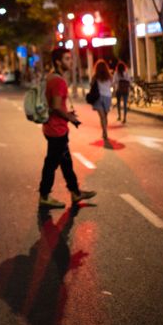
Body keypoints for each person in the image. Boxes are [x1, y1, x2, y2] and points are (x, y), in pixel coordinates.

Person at [39, 47, 97, 209]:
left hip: (52, 127)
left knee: (66, 162)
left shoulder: (50, 77)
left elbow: (54, 106)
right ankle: (44, 195)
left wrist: (67, 114)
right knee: (51, 163)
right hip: (56, 130)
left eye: (70, 58)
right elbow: (57, 107)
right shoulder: (58, 81)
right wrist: (70, 118)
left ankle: (75, 192)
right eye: (67, 59)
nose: (70, 62)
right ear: (58, 62)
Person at [91, 60, 113, 143]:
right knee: (105, 116)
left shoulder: (95, 76)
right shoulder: (109, 76)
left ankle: (104, 132)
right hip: (107, 97)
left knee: (102, 117)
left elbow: (91, 85)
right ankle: (105, 132)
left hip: (98, 98)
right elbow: (112, 84)